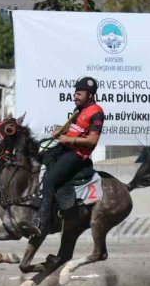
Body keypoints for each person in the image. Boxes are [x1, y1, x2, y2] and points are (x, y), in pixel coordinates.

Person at [29, 76, 105, 237]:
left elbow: (92, 140)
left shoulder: (97, 113)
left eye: (79, 93)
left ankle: (42, 222)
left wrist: (67, 138)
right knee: (36, 159)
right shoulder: (79, 110)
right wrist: (60, 131)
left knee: (50, 180)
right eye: (75, 92)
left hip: (76, 154)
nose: (75, 96)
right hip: (64, 147)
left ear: (90, 95)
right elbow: (73, 130)